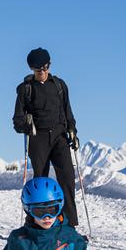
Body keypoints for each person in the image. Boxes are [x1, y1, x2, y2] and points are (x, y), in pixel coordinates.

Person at [12, 48, 80, 227]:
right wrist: (25, 123)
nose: (41, 73)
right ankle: (35, 223)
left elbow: (68, 112)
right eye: (37, 70)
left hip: (59, 137)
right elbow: (17, 121)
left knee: (67, 178)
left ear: (49, 66)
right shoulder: (26, 89)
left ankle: (69, 225)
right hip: (38, 138)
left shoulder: (59, 85)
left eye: (43, 69)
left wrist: (73, 131)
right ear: (32, 70)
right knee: (39, 183)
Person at [1, 177, 108, 250]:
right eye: (39, 212)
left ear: (60, 207)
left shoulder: (68, 236)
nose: (47, 217)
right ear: (28, 210)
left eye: (52, 210)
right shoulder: (20, 239)